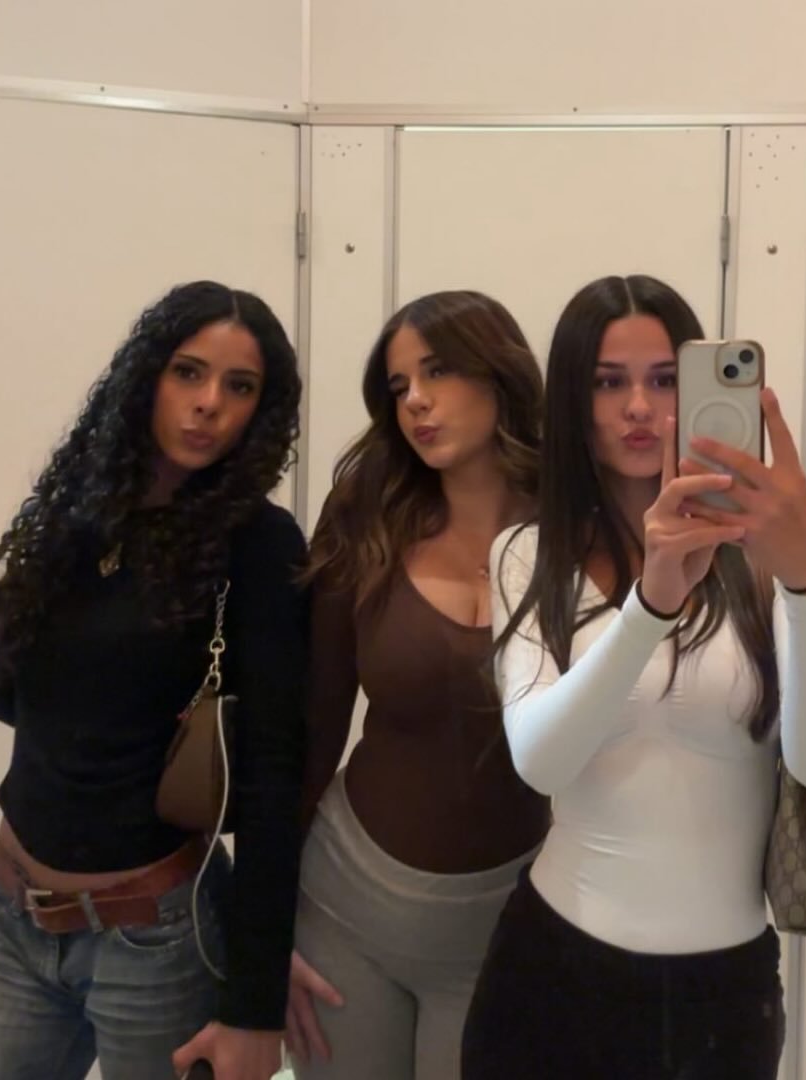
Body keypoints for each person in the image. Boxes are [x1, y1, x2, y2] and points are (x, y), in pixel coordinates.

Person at [461, 274, 806, 1080]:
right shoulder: (530, 554)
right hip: (554, 972)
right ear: (574, 402)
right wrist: (651, 605)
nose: (639, 407)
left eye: (666, 379)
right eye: (609, 383)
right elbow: (540, 760)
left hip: (723, 995)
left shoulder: (766, 560)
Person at [0, 281, 309, 1080]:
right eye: (188, 372)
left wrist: (254, 1007)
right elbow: (45, 703)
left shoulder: (257, 544)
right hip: (15, 919)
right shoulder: (81, 511)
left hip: (154, 937)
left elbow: (273, 777)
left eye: (239, 387)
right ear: (146, 376)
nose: (208, 404)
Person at [288, 290, 550, 1080]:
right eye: (399, 386)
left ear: (498, 372)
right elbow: (312, 725)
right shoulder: (366, 514)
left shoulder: (576, 524)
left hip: (508, 922)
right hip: (344, 905)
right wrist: (263, 927)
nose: (415, 402)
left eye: (437, 372)